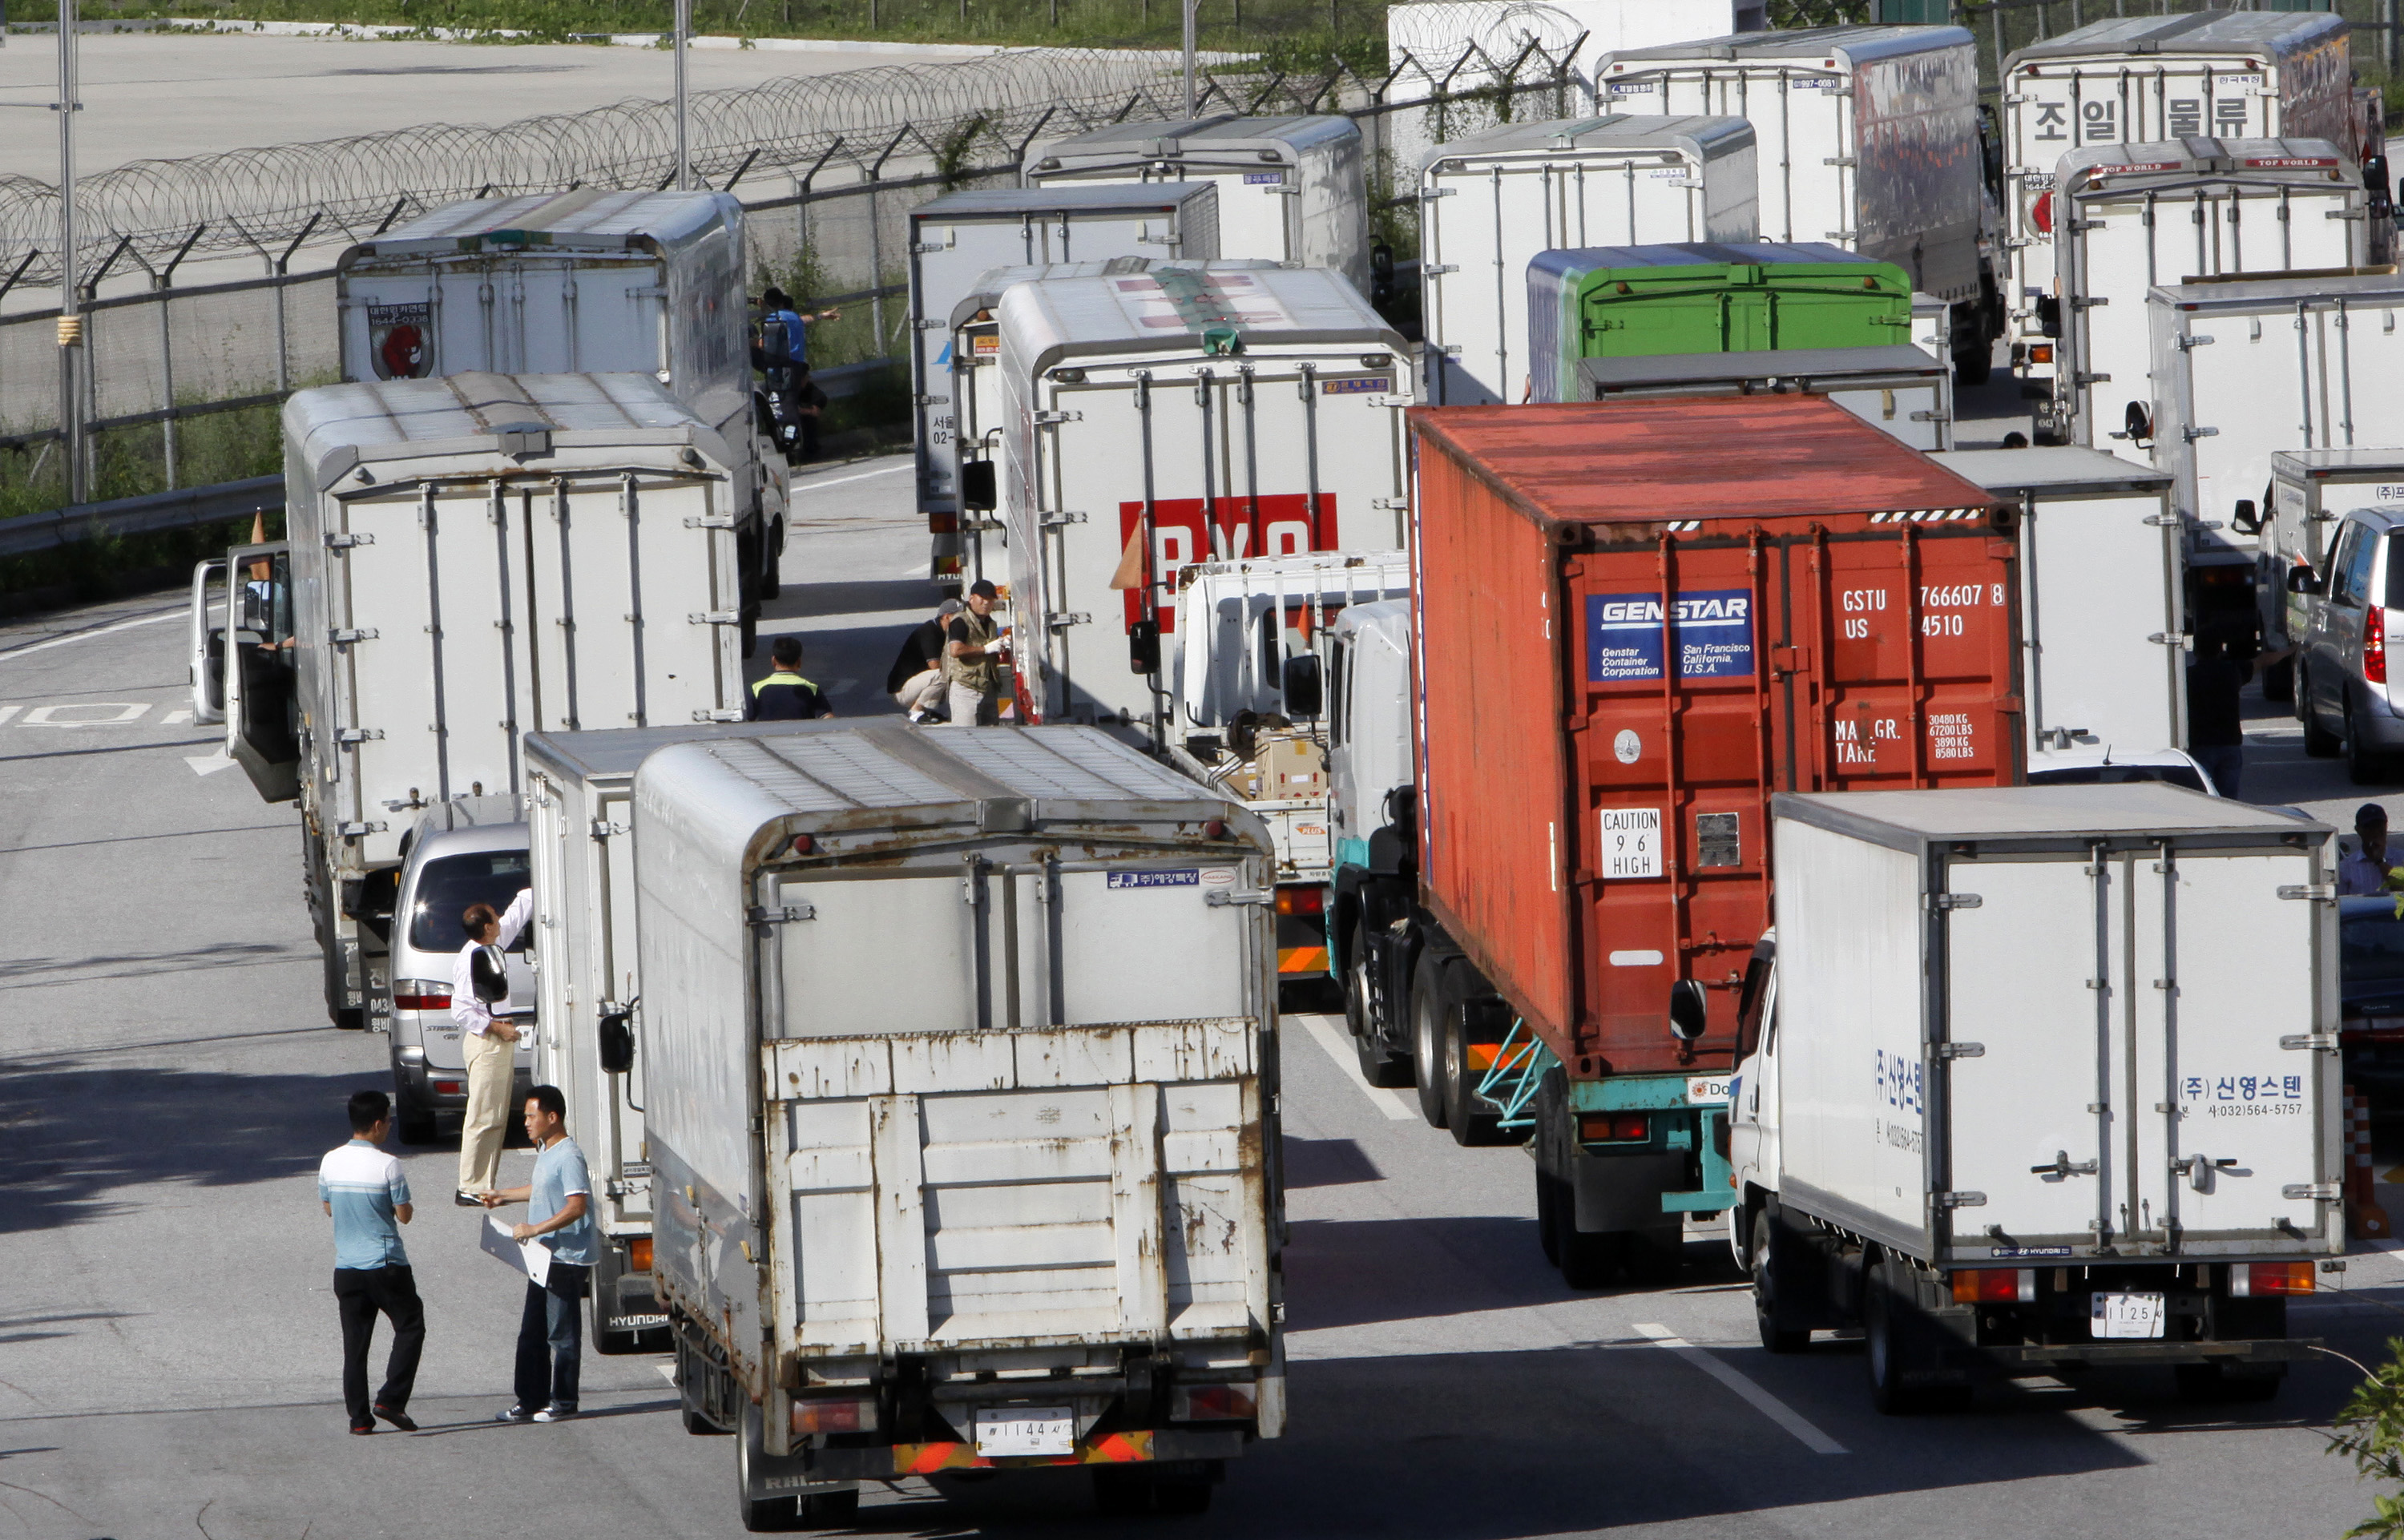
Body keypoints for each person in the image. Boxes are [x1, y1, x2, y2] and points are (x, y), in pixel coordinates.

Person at [482, 1086, 595, 1425]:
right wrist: (504, 1196)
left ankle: (564, 1401)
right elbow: (543, 1188)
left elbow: (577, 1206)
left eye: (532, 1116)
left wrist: (535, 1228)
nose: (526, 1122)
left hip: (565, 1259)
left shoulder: (569, 1156)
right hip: (543, 1257)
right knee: (532, 1332)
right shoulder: (546, 1150)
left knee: (561, 1334)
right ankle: (530, 1400)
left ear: (552, 1117)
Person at [320, 1089, 422, 1436]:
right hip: (386, 1264)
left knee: (355, 1346)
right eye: (389, 1120)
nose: (390, 1126)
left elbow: (328, 1207)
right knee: (410, 1325)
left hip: (347, 1268)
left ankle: (360, 1419)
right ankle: (391, 1399)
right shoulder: (388, 1164)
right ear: (378, 1124)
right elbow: (404, 1215)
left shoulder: (330, 1161)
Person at [454, 889, 533, 1207]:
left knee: (496, 1116)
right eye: (494, 916)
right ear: (487, 927)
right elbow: (460, 1010)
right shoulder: (472, 959)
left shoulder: (492, 945)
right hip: (487, 1042)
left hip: (498, 1042)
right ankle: (469, 1186)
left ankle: (483, 1184)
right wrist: (499, 1028)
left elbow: (517, 913)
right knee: (482, 1115)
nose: (500, 919)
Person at [2184, 630, 2248, 800]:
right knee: (2229, 799)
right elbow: (2262, 661)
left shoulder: (2189, 676)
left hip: (2200, 744)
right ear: (2221, 650)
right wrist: (2291, 650)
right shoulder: (2232, 672)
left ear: (2196, 650)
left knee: (2203, 796)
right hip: (2229, 743)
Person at [942, 579, 1007, 727]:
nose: (986, 603)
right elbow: (956, 650)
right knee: (968, 734)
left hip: (987, 687)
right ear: (971, 599)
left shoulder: (990, 623)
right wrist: (986, 649)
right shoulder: (960, 621)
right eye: (982, 598)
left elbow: (990, 652)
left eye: (990, 600)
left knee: (992, 734)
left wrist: (1002, 645)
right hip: (966, 688)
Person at [889, 598, 962, 721]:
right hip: (902, 689)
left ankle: (926, 711)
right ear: (946, 617)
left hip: (918, 683)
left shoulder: (947, 632)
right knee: (944, 674)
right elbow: (934, 666)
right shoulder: (929, 632)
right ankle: (916, 710)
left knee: (950, 674)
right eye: (959, 619)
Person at [748, 635, 835, 721]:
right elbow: (828, 717)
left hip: (768, 731)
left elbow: (747, 719)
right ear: (799, 662)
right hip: (803, 731)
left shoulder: (757, 689)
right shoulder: (812, 689)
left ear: (773, 661)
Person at [2341, 803, 2395, 895]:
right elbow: (2341, 901)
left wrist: (2380, 862)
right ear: (2358, 830)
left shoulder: (2401, 859)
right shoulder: (2346, 867)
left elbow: (2400, 887)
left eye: (2379, 826)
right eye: (2369, 827)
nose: (2376, 831)